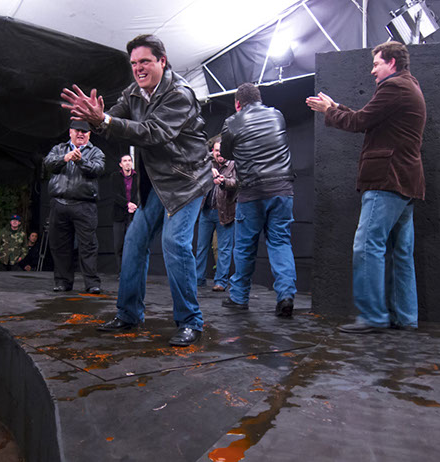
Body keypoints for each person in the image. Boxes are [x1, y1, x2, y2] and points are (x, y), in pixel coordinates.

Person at [61, 34, 213, 347]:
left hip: (186, 181)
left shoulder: (180, 94)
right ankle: (128, 314)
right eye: (133, 63)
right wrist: (95, 118)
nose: (138, 68)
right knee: (133, 242)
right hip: (156, 181)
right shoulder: (134, 92)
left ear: (162, 61)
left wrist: (104, 120)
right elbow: (115, 119)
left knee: (174, 243)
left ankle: (190, 321)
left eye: (145, 61)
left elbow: (152, 132)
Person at [306, 41, 426, 333]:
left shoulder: (394, 87)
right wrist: (336, 108)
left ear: (392, 63)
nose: (372, 71)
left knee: (367, 246)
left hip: (386, 179)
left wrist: (329, 111)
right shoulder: (409, 87)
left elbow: (360, 121)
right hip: (405, 182)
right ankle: (405, 317)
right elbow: (368, 117)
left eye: (376, 64)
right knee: (400, 253)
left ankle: (372, 316)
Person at [220, 83, 297, 318]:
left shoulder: (232, 122)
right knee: (280, 242)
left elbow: (226, 153)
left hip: (252, 191)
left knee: (245, 247)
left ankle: (239, 297)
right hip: (282, 188)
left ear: (237, 103)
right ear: (259, 98)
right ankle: (286, 295)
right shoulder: (277, 115)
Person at [44, 120, 105, 294]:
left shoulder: (96, 152)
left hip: (84, 205)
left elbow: (98, 169)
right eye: (77, 131)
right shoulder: (59, 149)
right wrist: (65, 158)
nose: (80, 134)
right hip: (59, 203)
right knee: (60, 245)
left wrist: (80, 161)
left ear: (89, 135)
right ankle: (62, 282)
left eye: (84, 132)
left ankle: (92, 283)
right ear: (70, 132)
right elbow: (48, 164)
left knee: (88, 246)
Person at [195, 136, 237, 292]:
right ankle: (198, 279)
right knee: (201, 248)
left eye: (222, 150)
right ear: (213, 151)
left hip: (225, 212)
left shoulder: (233, 165)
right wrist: (208, 173)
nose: (219, 153)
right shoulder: (207, 164)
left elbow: (237, 183)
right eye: (217, 150)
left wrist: (224, 181)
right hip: (206, 211)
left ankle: (220, 282)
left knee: (224, 249)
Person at [111, 154, 139, 276]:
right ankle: (121, 272)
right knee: (119, 245)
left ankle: (132, 272)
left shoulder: (137, 177)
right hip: (119, 214)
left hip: (134, 214)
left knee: (133, 244)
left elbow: (140, 193)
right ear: (120, 164)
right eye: (125, 161)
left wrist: (135, 205)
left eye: (129, 160)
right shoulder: (115, 177)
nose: (127, 163)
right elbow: (115, 194)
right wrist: (127, 204)